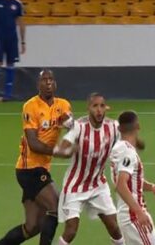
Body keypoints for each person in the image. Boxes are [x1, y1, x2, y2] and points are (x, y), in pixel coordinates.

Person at [0, 69, 73, 245]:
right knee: (55, 206)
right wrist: (58, 152)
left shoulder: (63, 105)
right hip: (29, 169)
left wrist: (71, 126)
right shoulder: (31, 106)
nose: (48, 83)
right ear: (38, 84)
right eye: (44, 80)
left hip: (41, 168)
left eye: (51, 79)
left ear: (55, 83)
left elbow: (71, 126)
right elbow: (33, 144)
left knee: (32, 226)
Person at [52, 93, 124, 245]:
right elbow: (60, 149)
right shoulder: (79, 127)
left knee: (115, 228)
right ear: (88, 108)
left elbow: (126, 141)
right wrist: (68, 151)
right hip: (75, 185)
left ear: (106, 108)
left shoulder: (113, 127)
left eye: (102, 106)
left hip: (98, 185)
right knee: (71, 231)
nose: (99, 110)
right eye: (95, 106)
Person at [111, 110, 155, 245]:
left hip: (128, 214)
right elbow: (121, 185)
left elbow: (131, 181)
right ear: (138, 126)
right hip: (133, 216)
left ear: (119, 128)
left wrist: (150, 186)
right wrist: (139, 212)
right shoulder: (127, 152)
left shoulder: (119, 148)